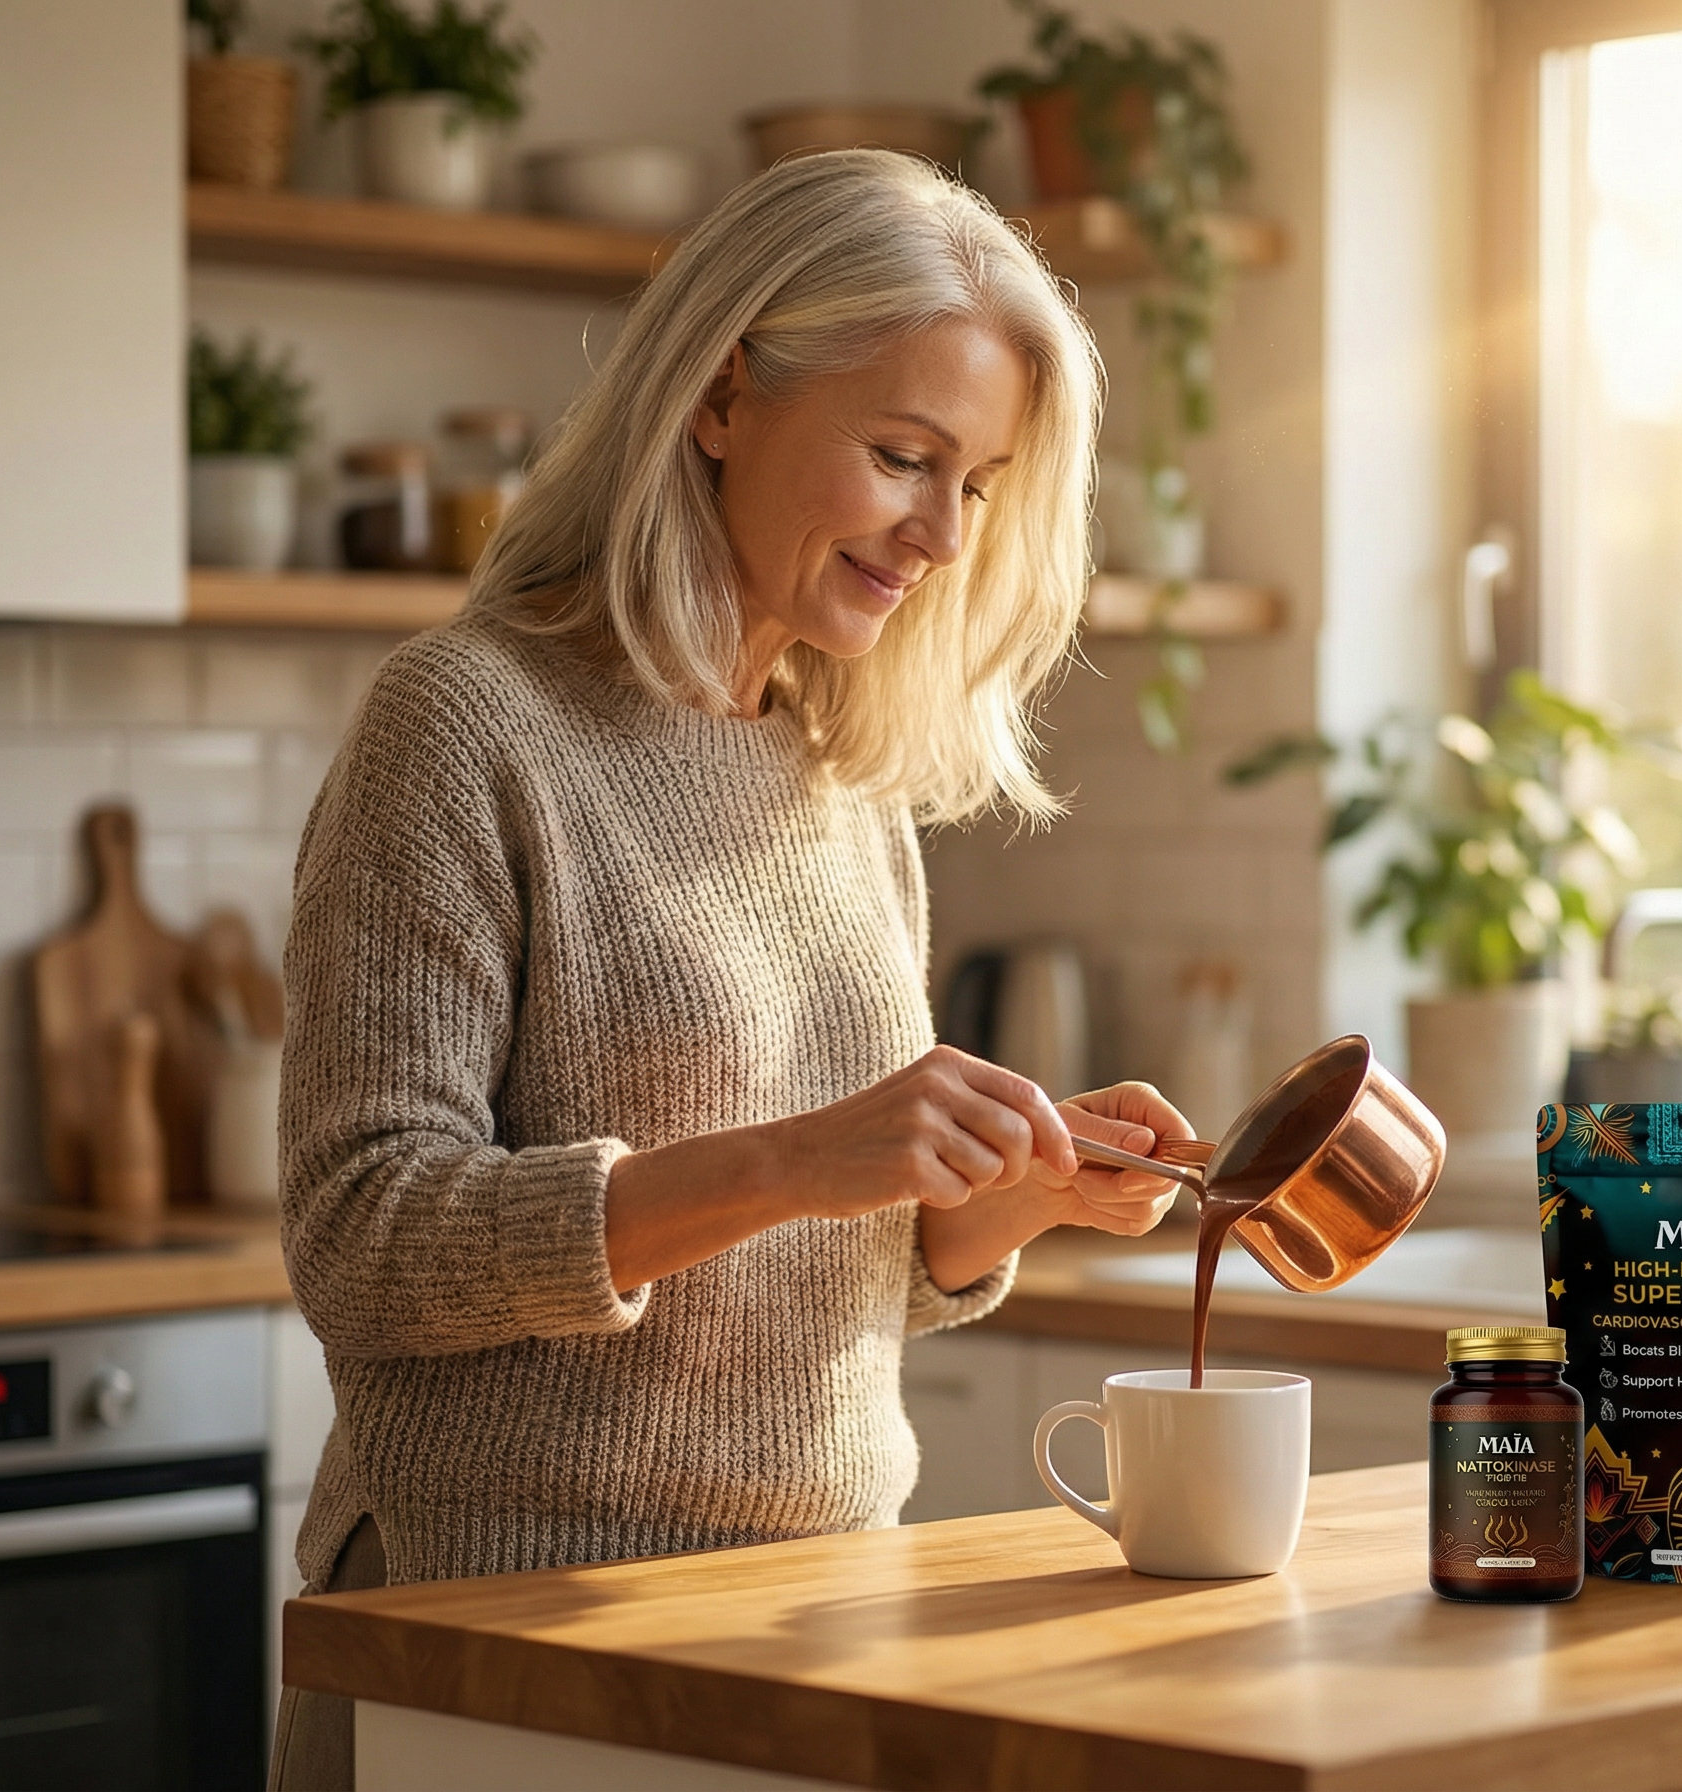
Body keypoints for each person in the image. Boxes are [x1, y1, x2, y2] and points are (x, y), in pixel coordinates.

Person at [268, 149, 1184, 1790]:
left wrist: (1001, 1197)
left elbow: (835, 1268)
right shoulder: (469, 726)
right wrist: (796, 1156)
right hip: (502, 1641)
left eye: (975, 485)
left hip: (809, 1618)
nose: (940, 533)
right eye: (904, 456)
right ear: (718, 396)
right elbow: (365, 1240)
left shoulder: (838, 781)